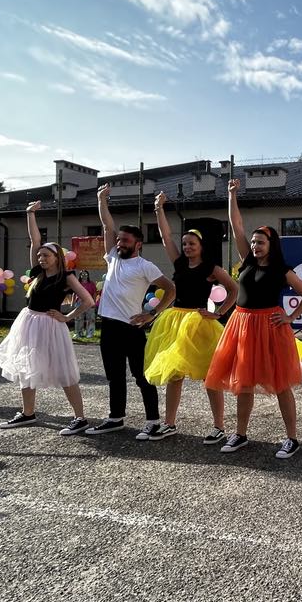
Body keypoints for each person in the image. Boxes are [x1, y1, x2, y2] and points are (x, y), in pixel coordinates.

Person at [204, 179, 302, 458]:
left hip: (269, 327)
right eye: (253, 242)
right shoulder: (248, 261)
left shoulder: (282, 269)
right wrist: (232, 195)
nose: (255, 245)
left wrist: (290, 317)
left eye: (260, 242)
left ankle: (292, 438)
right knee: (244, 384)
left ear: (271, 244)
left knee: (281, 385)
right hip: (241, 324)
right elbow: (236, 225)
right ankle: (240, 434)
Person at [142, 191, 239, 443]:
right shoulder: (179, 263)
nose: (186, 247)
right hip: (175, 321)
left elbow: (234, 289)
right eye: (184, 243)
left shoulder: (211, 268)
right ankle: (169, 423)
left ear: (201, 246)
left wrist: (219, 313)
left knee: (210, 376)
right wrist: (158, 209)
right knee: (174, 375)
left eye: (191, 244)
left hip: (199, 322)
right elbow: (165, 237)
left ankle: (219, 427)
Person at [0, 201, 95, 435]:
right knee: (26, 366)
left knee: (64, 371)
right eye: (39, 255)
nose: (41, 258)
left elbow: (88, 301)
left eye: (46, 255)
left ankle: (80, 418)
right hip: (29, 322)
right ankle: (28, 413)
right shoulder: (38, 273)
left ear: (57, 257)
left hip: (50, 326)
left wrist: (67, 317)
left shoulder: (66, 277)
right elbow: (35, 239)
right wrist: (30, 213)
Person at [85, 184, 176, 438]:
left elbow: (171, 289)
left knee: (141, 376)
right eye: (119, 240)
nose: (119, 243)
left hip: (132, 328)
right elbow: (107, 226)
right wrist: (101, 200)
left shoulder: (145, 266)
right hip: (109, 326)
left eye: (125, 240)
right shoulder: (113, 256)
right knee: (114, 376)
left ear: (138, 244)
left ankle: (153, 421)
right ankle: (116, 418)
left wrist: (151, 314)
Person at [72, 270, 98, 339]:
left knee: (90, 318)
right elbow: (74, 294)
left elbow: (94, 293)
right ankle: (78, 333)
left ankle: (90, 333)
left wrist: (94, 302)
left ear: (88, 275)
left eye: (86, 274)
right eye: (82, 274)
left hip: (89, 302)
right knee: (78, 318)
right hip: (79, 302)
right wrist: (72, 303)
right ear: (80, 276)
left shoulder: (91, 284)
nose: (84, 276)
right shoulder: (77, 283)